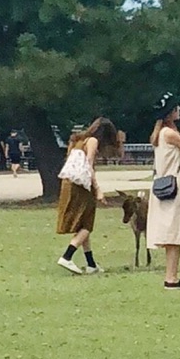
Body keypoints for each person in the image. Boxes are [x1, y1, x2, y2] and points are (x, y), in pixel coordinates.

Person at [55, 116, 120, 274]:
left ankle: (91, 264)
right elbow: (89, 166)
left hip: (68, 182)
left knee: (84, 221)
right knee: (87, 225)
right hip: (81, 185)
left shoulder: (78, 140)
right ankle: (67, 256)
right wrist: (97, 189)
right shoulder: (92, 141)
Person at [148, 103, 180, 289]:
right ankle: (172, 278)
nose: (179, 110)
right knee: (175, 232)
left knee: (172, 233)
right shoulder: (169, 134)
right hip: (175, 184)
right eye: (176, 108)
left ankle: (172, 276)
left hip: (166, 183)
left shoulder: (161, 134)